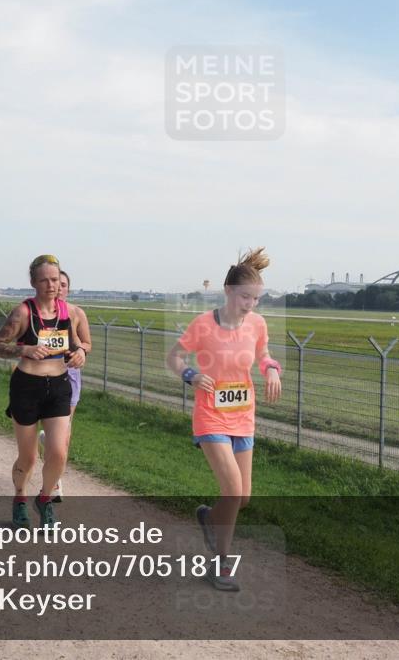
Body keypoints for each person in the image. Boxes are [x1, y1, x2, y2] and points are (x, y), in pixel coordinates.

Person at [166, 248, 282, 591]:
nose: (251, 304)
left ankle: (208, 518)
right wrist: (190, 374)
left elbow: (263, 356)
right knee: (231, 491)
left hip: (243, 416)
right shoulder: (203, 325)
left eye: (256, 299)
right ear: (228, 290)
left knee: (242, 498)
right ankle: (220, 564)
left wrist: (271, 370)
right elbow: (174, 358)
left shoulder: (257, 324)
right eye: (245, 296)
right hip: (210, 415)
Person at [0, 255, 86, 528]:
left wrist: (80, 354)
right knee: (29, 457)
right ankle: (20, 497)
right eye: (44, 280)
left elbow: (81, 344)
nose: (51, 285)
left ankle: (44, 499)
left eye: (55, 279)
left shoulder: (71, 313)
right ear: (33, 282)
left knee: (58, 452)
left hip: (58, 387)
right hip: (27, 387)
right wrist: (24, 349)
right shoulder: (23, 313)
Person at [38, 270, 92, 502]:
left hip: (69, 377)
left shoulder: (77, 313)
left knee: (64, 437)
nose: (58, 287)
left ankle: (53, 483)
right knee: (54, 435)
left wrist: (81, 350)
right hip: (41, 376)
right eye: (52, 283)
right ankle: (47, 445)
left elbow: (88, 343)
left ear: (68, 288)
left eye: (62, 284)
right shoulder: (35, 313)